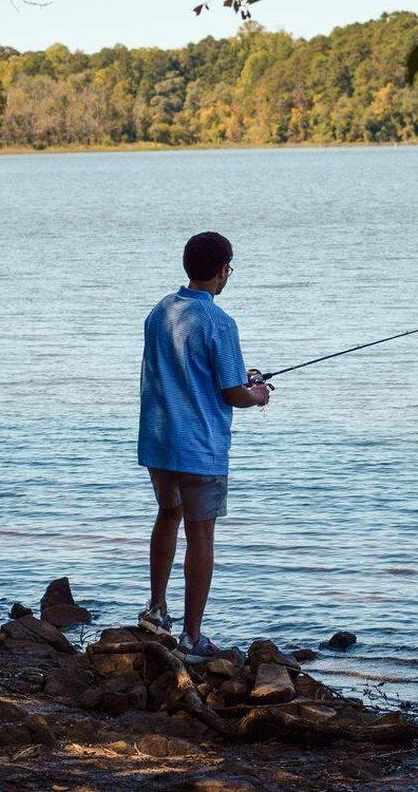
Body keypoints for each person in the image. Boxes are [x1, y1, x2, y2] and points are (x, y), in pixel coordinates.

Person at [137, 231, 271, 663]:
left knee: (167, 514)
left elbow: (188, 370)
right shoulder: (219, 321)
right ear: (221, 270)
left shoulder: (161, 311)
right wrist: (259, 394)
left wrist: (239, 377)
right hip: (199, 445)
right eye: (230, 267)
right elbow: (233, 392)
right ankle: (193, 639)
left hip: (158, 439)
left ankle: (156, 610)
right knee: (201, 533)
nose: (229, 274)